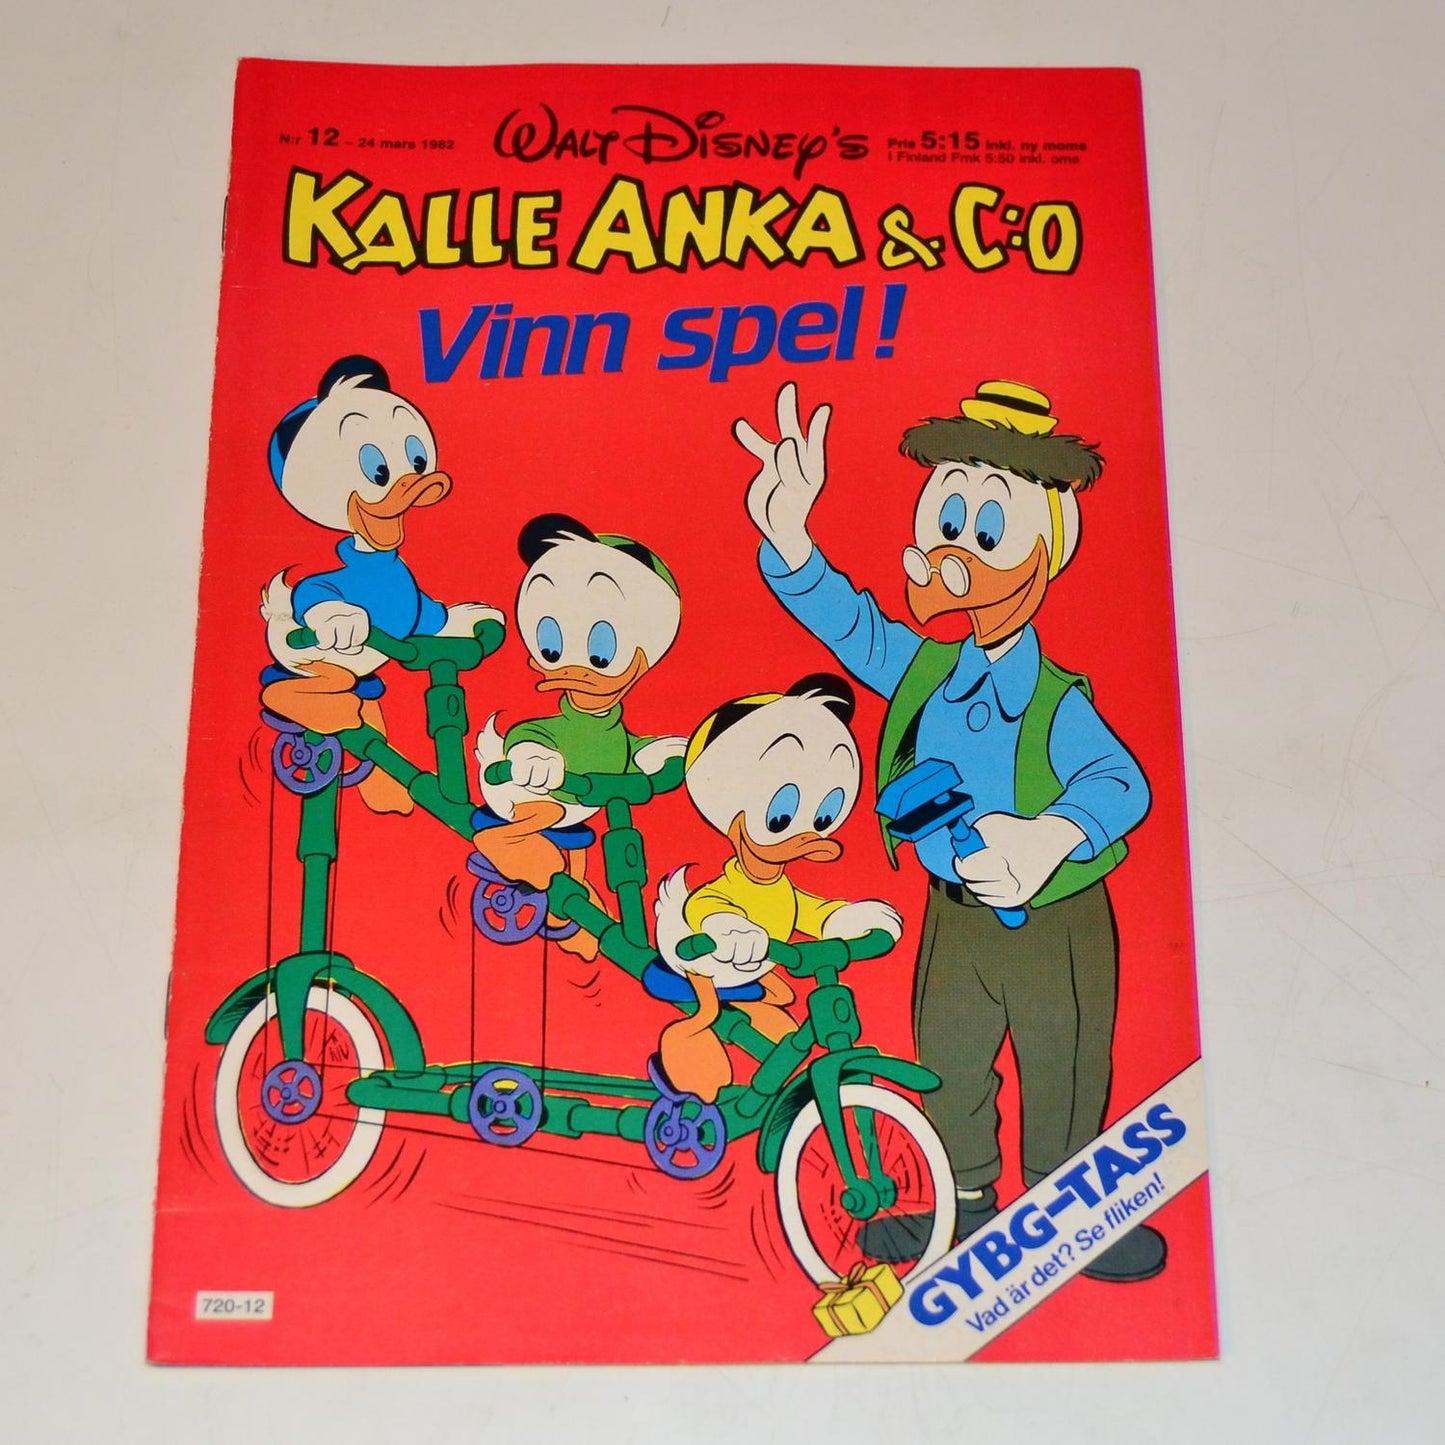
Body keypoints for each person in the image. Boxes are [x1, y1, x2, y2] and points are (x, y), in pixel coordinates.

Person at [735, 379, 1163, 1282]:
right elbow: (853, 626)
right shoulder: (928, 664)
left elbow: (1122, 783)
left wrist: (1049, 836)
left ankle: (1069, 1208)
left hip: (1053, 924)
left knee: (1061, 1062)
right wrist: (791, 540)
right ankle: (963, 1202)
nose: (951, 547)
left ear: (1041, 556)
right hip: (953, 914)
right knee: (949, 1058)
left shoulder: (1054, 698)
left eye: (983, 528)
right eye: (946, 519)